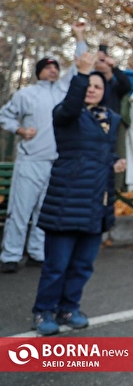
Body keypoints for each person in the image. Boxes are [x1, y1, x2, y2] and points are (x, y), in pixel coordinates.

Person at [31, 51, 125, 335]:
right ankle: (43, 311)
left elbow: (98, 154)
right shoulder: (65, 114)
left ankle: (69, 307)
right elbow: (71, 105)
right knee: (56, 265)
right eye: (88, 85)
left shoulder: (111, 119)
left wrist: (113, 162)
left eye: (98, 86)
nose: (92, 89)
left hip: (96, 204)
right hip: (66, 202)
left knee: (83, 265)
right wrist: (82, 74)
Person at [0, 23, 87, 273]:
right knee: (20, 210)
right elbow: (4, 116)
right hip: (30, 161)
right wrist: (21, 130)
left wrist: (79, 35)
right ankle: (11, 255)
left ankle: (37, 253)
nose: (52, 70)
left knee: (43, 213)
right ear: (39, 72)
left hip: (56, 161)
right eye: (47, 67)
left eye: (54, 67)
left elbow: (82, 65)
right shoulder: (25, 95)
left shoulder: (63, 91)